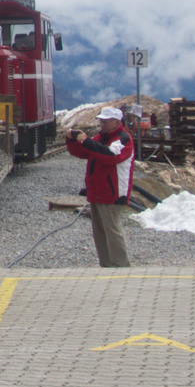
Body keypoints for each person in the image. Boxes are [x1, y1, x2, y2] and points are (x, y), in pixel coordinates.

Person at [68, 106, 136, 267]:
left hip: (113, 192)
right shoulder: (101, 137)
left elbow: (110, 156)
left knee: (112, 230)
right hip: (98, 191)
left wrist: (86, 141)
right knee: (100, 231)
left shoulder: (123, 139)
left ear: (115, 122)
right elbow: (84, 152)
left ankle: (120, 265)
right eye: (101, 121)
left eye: (105, 121)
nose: (102, 124)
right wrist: (72, 140)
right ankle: (106, 265)